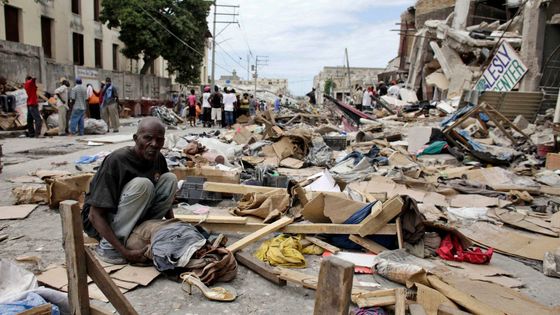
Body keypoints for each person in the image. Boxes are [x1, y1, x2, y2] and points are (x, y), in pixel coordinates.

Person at [82, 117, 177, 264]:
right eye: (148, 138)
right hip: (102, 221)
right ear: (135, 138)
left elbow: (166, 197)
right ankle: (108, 247)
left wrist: (172, 224)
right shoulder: (117, 160)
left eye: (160, 140)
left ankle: (134, 232)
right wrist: (124, 252)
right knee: (143, 185)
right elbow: (94, 215)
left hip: (133, 215)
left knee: (170, 179)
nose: (154, 144)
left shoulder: (158, 158)